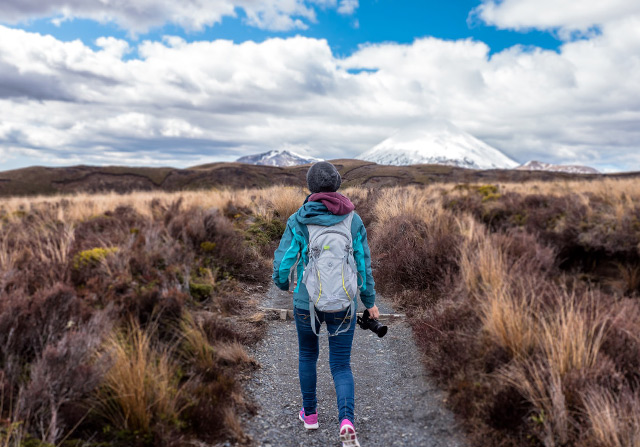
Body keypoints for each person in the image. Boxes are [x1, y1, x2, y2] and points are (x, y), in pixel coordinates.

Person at [272, 161, 378, 447]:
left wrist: (283, 284)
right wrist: (368, 302)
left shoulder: (298, 219)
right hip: (343, 303)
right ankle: (346, 421)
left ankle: (310, 416)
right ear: (337, 184)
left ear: (311, 187)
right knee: (341, 365)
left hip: (307, 303)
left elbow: (284, 264)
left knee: (308, 355)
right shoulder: (353, 220)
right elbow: (363, 264)